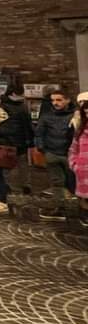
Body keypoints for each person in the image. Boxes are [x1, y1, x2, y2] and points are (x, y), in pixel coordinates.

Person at [36, 87, 75, 221]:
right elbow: (39, 133)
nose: (55, 103)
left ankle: (80, 208)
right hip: (52, 153)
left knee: (75, 183)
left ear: (67, 100)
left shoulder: (75, 115)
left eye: (59, 100)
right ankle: (60, 208)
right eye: (53, 100)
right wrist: (42, 149)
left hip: (70, 154)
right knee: (57, 183)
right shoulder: (47, 116)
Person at [0, 84, 34, 198]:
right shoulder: (5, 106)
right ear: (13, 94)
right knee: (12, 168)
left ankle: (23, 188)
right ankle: (15, 192)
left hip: (18, 142)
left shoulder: (18, 105)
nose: (23, 96)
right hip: (9, 142)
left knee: (21, 167)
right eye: (20, 94)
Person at [70, 93, 88, 226]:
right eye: (86, 113)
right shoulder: (81, 130)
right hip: (83, 172)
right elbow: (73, 149)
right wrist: (74, 164)